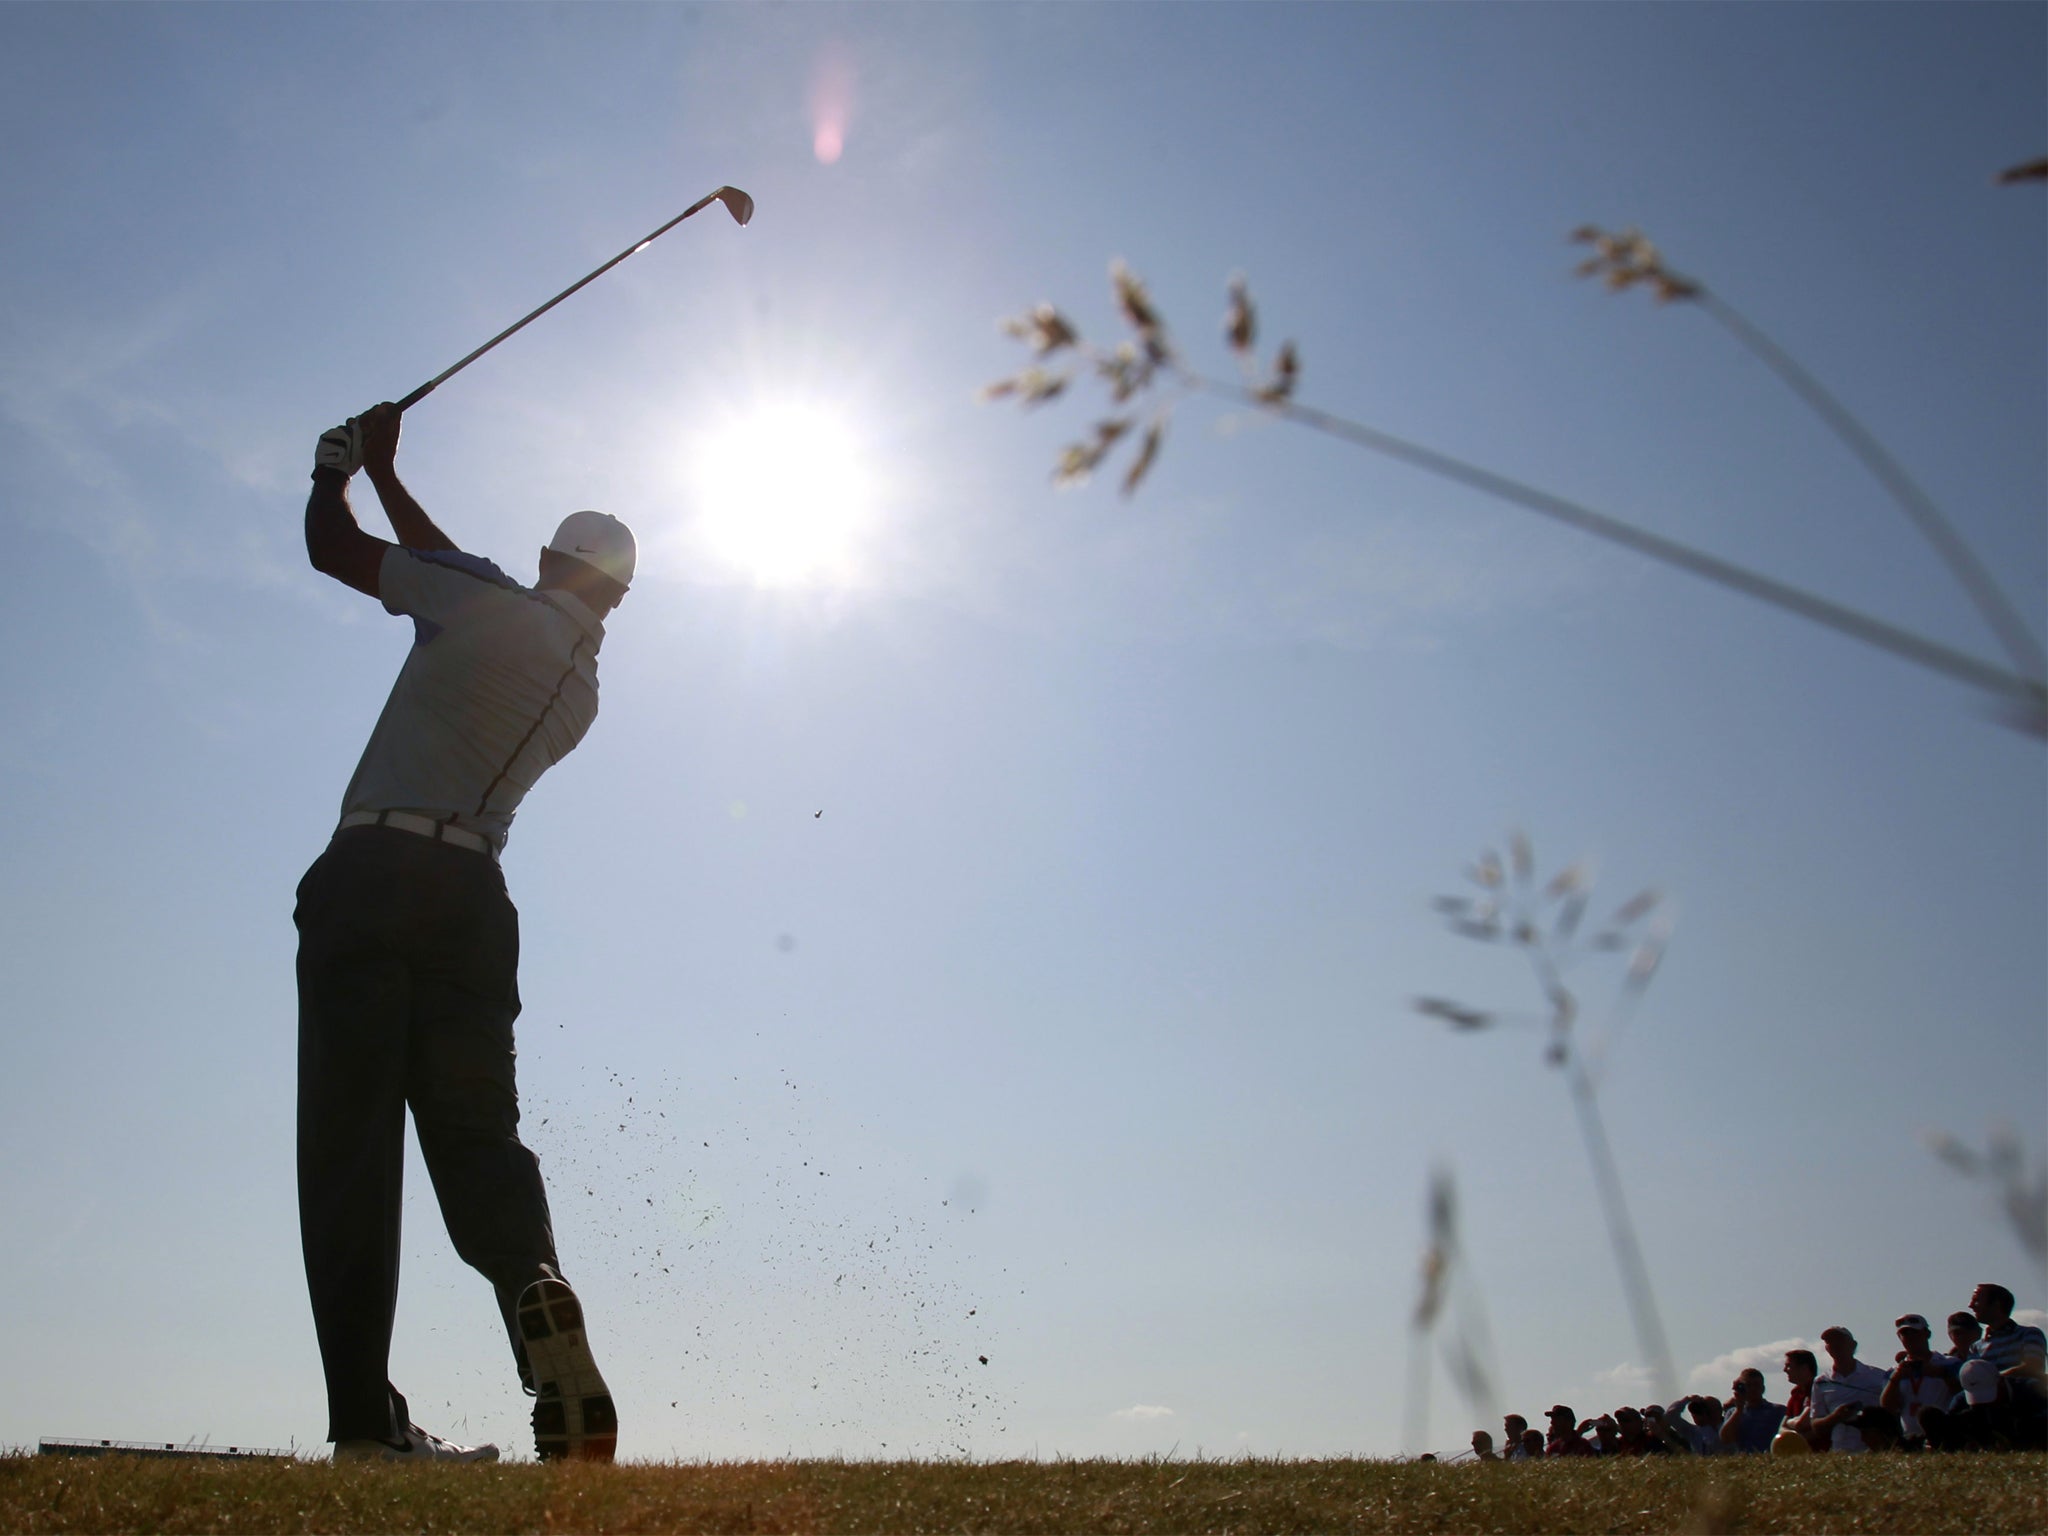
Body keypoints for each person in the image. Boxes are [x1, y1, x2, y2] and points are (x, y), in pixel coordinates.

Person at [297, 404, 633, 1464]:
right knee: (477, 1137)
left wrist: (333, 472)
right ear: (616, 600)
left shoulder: (490, 601)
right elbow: (452, 581)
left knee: (349, 1153)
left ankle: (366, 1427)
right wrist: (393, 473)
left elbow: (337, 553)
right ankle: (534, 1285)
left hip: (370, 879)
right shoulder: (580, 694)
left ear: (544, 560)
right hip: (474, 907)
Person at [1881, 1314, 1959, 1448]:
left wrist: (1941, 1374)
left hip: (1943, 1434)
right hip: (1910, 1437)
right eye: (1905, 1334)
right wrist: (1896, 1379)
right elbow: (1888, 1407)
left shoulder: (1949, 1363)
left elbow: (1961, 1394)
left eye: (1915, 1332)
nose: (1911, 1337)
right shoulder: (1893, 1372)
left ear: (1927, 1334)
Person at [1807, 1327, 1890, 1453]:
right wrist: (1836, 1417)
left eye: (1840, 1341)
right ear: (1827, 1349)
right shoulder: (1822, 1382)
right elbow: (1816, 1426)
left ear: (1853, 1345)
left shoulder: (1877, 1376)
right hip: (1840, 1448)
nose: (1836, 1346)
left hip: (1874, 1449)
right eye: (1830, 1343)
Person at [1967, 1283, 2047, 1401]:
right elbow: (1971, 1378)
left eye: (1977, 1301)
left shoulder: (2028, 1334)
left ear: (1996, 1304)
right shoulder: (1975, 1347)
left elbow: (2033, 1367)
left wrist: (1994, 1379)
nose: (1971, 1306)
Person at [1718, 1368, 1786, 1453]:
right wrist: (1739, 1410)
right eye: (1749, 1385)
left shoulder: (1778, 1410)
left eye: (1756, 1385)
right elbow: (1726, 1439)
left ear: (1763, 1388)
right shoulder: (1732, 1412)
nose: (1753, 1389)